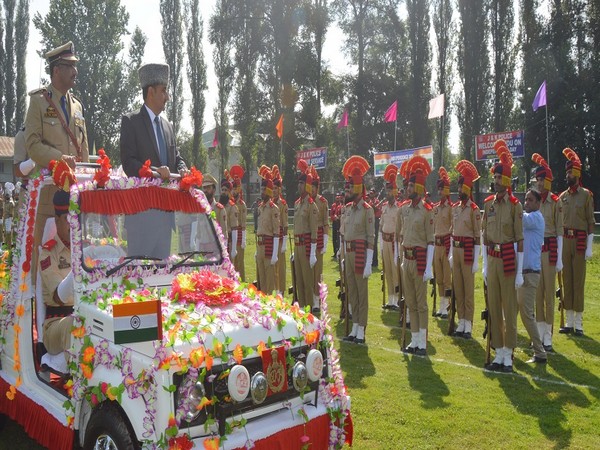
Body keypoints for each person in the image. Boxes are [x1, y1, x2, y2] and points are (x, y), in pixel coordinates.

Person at [25, 42, 89, 272]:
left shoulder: (78, 107)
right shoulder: (38, 102)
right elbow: (32, 145)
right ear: (56, 70)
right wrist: (59, 159)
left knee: (76, 261)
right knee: (43, 263)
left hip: (73, 199)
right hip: (49, 199)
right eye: (70, 66)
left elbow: (83, 151)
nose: (76, 72)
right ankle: (41, 308)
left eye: (75, 66)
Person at [120, 63, 188, 259]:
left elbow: (176, 157)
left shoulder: (168, 126)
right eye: (164, 91)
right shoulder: (131, 122)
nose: (167, 96)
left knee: (162, 281)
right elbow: (129, 163)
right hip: (141, 219)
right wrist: (156, 171)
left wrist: (182, 169)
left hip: (165, 219)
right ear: (151, 92)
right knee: (141, 281)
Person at [481, 140, 524, 373]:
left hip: (508, 259)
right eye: (495, 178)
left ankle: (509, 352)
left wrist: (519, 272)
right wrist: (485, 265)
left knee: (509, 308)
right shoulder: (488, 205)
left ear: (506, 181)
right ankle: (498, 350)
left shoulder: (515, 206)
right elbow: (484, 237)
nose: (495, 181)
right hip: (493, 258)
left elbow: (519, 241)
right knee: (494, 307)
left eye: (499, 178)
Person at [398, 156, 434, 355]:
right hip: (407, 259)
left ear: (419, 188)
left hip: (420, 260)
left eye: (411, 186)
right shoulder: (404, 209)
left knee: (421, 303)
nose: (407, 189)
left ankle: (422, 341)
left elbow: (430, 241)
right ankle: (414, 339)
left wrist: (429, 267)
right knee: (410, 301)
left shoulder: (427, 211)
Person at [558, 148, 594, 336]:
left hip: (579, 241)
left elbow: (590, 222)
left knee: (578, 281)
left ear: (577, 174)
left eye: (570, 172)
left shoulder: (586, 195)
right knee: (567, 279)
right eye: (566, 172)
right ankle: (569, 321)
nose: (567, 175)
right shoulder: (562, 197)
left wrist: (589, 246)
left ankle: (578, 323)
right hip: (565, 240)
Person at [41, 179, 75, 363]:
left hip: (87, 315)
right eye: (68, 219)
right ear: (57, 220)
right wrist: (79, 269)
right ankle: (80, 386)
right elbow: (58, 297)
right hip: (56, 324)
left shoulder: (85, 248)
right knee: (76, 324)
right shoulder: (48, 252)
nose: (73, 225)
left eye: (76, 218)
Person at [341, 156, 375, 344]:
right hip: (349, 252)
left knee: (362, 293)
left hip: (361, 253)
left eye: (350, 187)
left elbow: (371, 237)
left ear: (357, 188)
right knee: (352, 291)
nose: (347, 191)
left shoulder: (367, 209)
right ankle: (354, 326)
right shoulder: (348, 209)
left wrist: (369, 261)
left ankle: (361, 327)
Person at [531, 153, 563, 351]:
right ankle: (540, 332)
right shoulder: (534, 201)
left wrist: (559, 259)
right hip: (536, 250)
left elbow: (560, 231)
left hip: (550, 250)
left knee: (549, 294)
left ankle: (548, 335)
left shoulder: (555, 202)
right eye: (538, 180)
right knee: (537, 292)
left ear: (548, 181)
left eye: (542, 179)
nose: (540, 183)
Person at [450, 160, 481, 339]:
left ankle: (468, 323)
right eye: (459, 187)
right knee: (459, 287)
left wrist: (477, 259)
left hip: (469, 251)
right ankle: (461, 321)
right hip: (456, 249)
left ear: (468, 190)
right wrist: (451, 254)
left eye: (462, 188)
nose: (459, 190)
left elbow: (478, 236)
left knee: (468, 290)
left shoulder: (474, 210)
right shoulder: (456, 208)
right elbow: (453, 232)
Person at [518, 189, 547, 364]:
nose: (526, 202)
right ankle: (506, 345)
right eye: (525, 199)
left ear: (538, 203)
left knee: (527, 314)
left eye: (530, 200)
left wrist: (512, 204)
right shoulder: (530, 217)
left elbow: (520, 218)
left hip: (530, 273)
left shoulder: (536, 218)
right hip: (523, 272)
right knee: (513, 310)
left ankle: (540, 352)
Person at [293, 160, 318, 308]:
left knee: (308, 281)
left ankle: (308, 309)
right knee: (299, 279)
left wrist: (313, 252)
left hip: (307, 246)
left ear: (307, 185)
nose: (299, 186)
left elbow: (314, 230)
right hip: (297, 245)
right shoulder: (297, 204)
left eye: (301, 184)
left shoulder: (311, 205)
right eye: (298, 183)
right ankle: (301, 308)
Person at [256, 166, 281, 294]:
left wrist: (275, 253)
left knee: (270, 279)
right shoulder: (260, 207)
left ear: (270, 191)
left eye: (264, 190)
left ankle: (271, 305)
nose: (262, 192)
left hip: (269, 246)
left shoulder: (273, 208)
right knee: (262, 279)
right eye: (261, 189)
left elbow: (277, 232)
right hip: (259, 245)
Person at [432, 167, 453, 318]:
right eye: (438, 189)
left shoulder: (451, 209)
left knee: (446, 277)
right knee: (438, 277)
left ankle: (447, 305)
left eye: (442, 189)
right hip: (436, 245)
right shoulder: (436, 208)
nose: (439, 192)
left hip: (446, 244)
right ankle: (441, 304)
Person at [380, 164, 400, 310]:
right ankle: (390, 298)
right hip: (385, 241)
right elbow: (381, 226)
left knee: (395, 271)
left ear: (395, 191)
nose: (387, 193)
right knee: (387, 270)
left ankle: (397, 299)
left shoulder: (398, 208)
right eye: (387, 190)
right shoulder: (384, 207)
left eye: (390, 190)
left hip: (394, 241)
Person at [311, 167, 329, 313]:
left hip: (318, 241)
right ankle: (309, 298)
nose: (311, 190)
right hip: (307, 240)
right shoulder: (306, 202)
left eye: (313, 187)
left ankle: (317, 300)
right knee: (308, 271)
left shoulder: (322, 202)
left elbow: (325, 223)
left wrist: (325, 241)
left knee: (318, 271)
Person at [272, 165, 288, 295]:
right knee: (273, 266)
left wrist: (285, 242)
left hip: (280, 238)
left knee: (281, 267)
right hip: (271, 239)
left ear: (280, 189)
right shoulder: (270, 204)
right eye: (272, 188)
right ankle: (275, 289)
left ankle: (281, 291)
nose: (274, 191)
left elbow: (285, 224)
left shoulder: (282, 204)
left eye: (276, 188)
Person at [230, 165, 247, 281]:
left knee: (240, 263)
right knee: (232, 263)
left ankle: (242, 283)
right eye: (233, 188)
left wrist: (244, 239)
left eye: (236, 188)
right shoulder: (229, 204)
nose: (234, 190)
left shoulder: (242, 204)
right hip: (231, 237)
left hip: (240, 237)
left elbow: (244, 223)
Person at [220, 175, 239, 262]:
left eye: (226, 190)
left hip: (229, 242)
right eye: (222, 190)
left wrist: (234, 248)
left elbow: (234, 229)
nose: (223, 192)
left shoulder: (232, 207)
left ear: (229, 192)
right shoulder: (218, 206)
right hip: (218, 242)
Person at [367, 188, 382, 267]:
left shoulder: (376, 201)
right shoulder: (369, 201)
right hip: (370, 221)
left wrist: (372, 205)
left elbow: (376, 209)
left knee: (375, 241)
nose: (370, 194)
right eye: (370, 193)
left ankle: (375, 261)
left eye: (372, 193)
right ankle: (370, 259)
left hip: (376, 221)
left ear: (375, 194)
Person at [330, 192, 343, 258]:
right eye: (336, 196)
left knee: (338, 238)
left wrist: (338, 217)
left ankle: (338, 251)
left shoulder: (341, 205)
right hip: (334, 223)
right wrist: (334, 218)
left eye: (339, 197)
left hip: (339, 223)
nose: (337, 198)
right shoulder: (333, 205)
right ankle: (335, 252)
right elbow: (331, 214)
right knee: (334, 238)